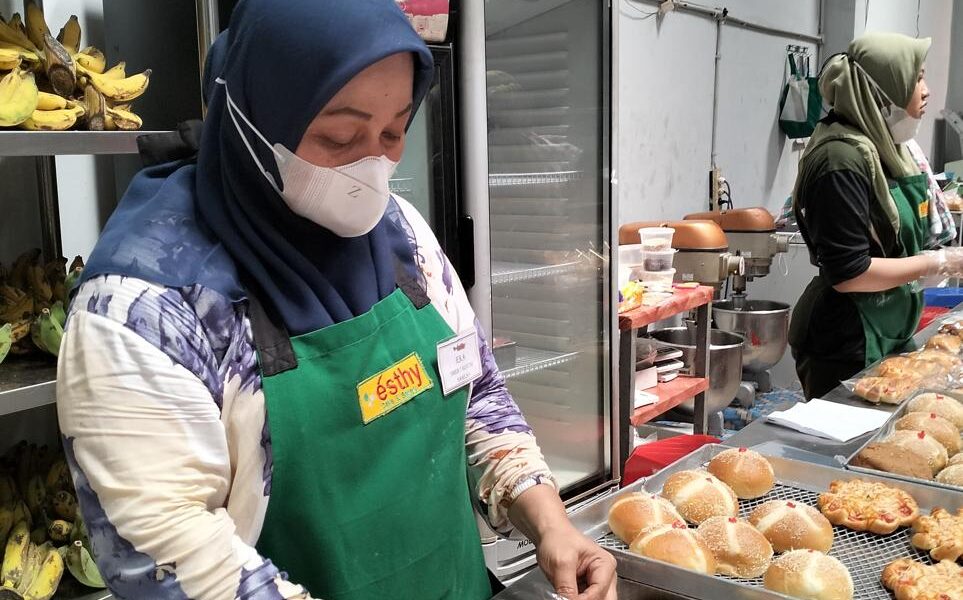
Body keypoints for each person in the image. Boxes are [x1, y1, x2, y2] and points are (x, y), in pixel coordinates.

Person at [55, 2, 617, 599]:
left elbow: (473, 391)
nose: (372, 166)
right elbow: (171, 561)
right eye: (340, 136)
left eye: (394, 131)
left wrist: (551, 523)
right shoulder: (146, 311)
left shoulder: (401, 235)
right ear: (251, 117)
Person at [790, 32, 963, 400]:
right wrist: (937, 262)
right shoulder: (840, 160)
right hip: (846, 339)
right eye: (917, 79)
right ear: (883, 90)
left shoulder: (890, 150)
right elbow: (848, 274)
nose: (927, 91)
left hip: (889, 326)